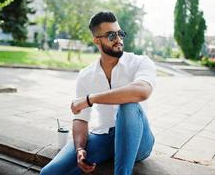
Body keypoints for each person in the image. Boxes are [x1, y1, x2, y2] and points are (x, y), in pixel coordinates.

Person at [40, 11, 156, 175]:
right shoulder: (86, 75)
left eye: (120, 34)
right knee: (49, 173)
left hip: (138, 141)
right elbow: (81, 118)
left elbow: (142, 92)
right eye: (111, 36)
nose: (118, 40)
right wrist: (80, 148)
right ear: (96, 40)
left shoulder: (140, 62)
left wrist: (90, 99)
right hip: (103, 137)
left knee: (128, 104)